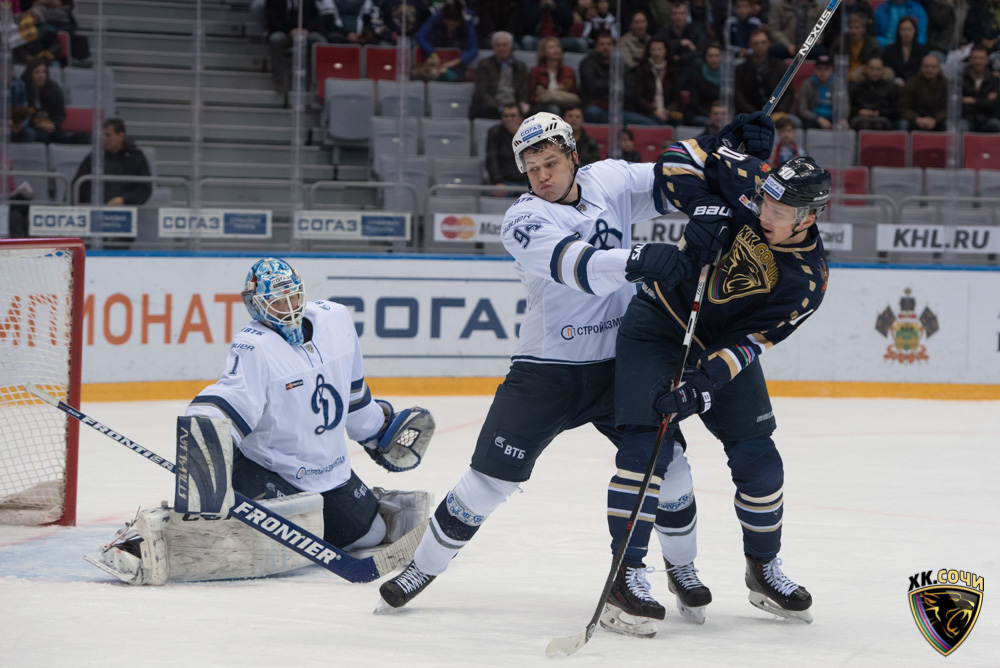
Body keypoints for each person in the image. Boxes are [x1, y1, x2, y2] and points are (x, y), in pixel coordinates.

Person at [376, 110, 698, 636]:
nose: (542, 176)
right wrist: (640, 259)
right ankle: (422, 569)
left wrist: (726, 150)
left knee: (672, 465)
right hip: (548, 373)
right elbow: (580, 268)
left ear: (574, 156)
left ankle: (682, 571)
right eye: (531, 169)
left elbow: (674, 177)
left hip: (620, 365)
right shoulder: (523, 219)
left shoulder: (609, 179)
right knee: (489, 481)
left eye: (550, 163)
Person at [88, 258, 436, 585]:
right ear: (255, 305)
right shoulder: (255, 347)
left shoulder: (336, 321)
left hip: (330, 472)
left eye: (293, 297)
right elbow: (228, 400)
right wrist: (204, 445)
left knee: (370, 535)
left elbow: (354, 397)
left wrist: (376, 432)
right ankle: (141, 538)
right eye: (277, 303)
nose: (289, 308)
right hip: (267, 469)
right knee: (236, 536)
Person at [613, 112, 828, 624]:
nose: (764, 211)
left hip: (716, 347)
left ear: (807, 219)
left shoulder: (806, 282)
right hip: (658, 321)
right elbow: (679, 156)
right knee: (647, 449)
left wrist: (701, 385)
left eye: (779, 211)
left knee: (760, 459)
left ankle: (763, 568)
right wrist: (703, 203)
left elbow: (748, 343)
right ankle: (627, 573)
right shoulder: (754, 180)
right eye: (765, 201)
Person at [72, 118, 152, 206]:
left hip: (127, 209)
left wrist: (124, 199)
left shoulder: (136, 156)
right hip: (97, 208)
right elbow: (78, 186)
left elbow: (144, 188)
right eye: (102, 135)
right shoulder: (95, 157)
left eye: (108, 135)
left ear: (120, 136)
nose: (104, 138)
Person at [264, 0, 328, 94]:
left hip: (305, 32)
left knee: (320, 41)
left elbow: (315, 17)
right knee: (275, 39)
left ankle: (317, 80)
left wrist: (307, 30)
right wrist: (289, 31)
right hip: (284, 32)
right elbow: (272, 19)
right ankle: (279, 79)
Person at [735, 29, 798, 122]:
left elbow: (788, 93)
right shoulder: (741, 69)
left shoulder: (780, 66)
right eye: (756, 43)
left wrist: (779, 112)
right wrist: (755, 114)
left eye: (763, 43)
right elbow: (739, 97)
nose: (760, 46)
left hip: (777, 115)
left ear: (769, 44)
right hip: (749, 115)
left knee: (795, 122)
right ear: (750, 45)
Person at [469, 31, 529, 119]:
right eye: (498, 45)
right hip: (492, 106)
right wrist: (499, 108)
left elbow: (524, 90)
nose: (501, 48)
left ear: (511, 46)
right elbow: (482, 92)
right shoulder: (484, 65)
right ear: (493, 47)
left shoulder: (520, 66)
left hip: (514, 105)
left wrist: (522, 103)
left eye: (504, 45)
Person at [414, 0, 478, 81]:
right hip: (436, 47)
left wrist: (455, 62)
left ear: (459, 21)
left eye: (453, 25)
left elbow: (473, 49)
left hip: (457, 58)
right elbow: (421, 35)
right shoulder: (438, 15)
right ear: (443, 19)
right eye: (447, 24)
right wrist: (432, 53)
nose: (449, 27)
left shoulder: (467, 19)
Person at [631, 37, 684, 125]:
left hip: (668, 111)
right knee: (659, 122)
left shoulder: (672, 70)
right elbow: (639, 98)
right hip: (648, 111)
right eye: (653, 49)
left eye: (660, 49)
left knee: (680, 121)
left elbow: (677, 97)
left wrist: (668, 110)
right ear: (649, 51)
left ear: (666, 51)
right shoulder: (641, 70)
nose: (656, 53)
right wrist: (654, 110)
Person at [655, 1, 708, 86]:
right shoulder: (664, 31)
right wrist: (681, 42)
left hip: (689, 66)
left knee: (698, 62)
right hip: (669, 65)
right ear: (670, 15)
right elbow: (658, 46)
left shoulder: (696, 30)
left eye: (681, 13)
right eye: (675, 14)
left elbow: (702, 51)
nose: (678, 17)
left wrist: (681, 57)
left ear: (687, 14)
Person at [795, 51, 847, 129]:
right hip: (813, 118)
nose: (823, 72)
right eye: (819, 68)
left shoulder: (838, 84)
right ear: (815, 69)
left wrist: (842, 118)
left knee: (843, 126)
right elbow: (802, 109)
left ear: (832, 70)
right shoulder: (807, 84)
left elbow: (844, 105)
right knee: (807, 124)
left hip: (833, 118)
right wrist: (818, 119)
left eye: (827, 69)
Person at [528, 35, 580, 115]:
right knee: (553, 108)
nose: (556, 50)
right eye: (551, 47)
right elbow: (531, 94)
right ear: (543, 51)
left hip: (564, 104)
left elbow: (573, 93)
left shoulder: (568, 71)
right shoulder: (535, 71)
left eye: (558, 47)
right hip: (542, 106)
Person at [20, 58, 67, 144]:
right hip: (31, 126)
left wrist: (53, 124)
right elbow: (22, 115)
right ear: (30, 73)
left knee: (62, 137)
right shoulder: (23, 88)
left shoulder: (53, 88)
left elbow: (60, 113)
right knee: (41, 137)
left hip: (49, 124)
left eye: (44, 72)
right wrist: (38, 124)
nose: (41, 75)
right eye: (37, 72)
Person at [897, 53, 947, 131]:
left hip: (938, 121)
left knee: (950, 123)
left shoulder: (946, 84)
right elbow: (903, 107)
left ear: (939, 68)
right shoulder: (911, 83)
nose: (929, 70)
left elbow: (948, 108)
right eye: (926, 66)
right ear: (921, 67)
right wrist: (917, 119)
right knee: (903, 123)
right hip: (915, 120)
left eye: (933, 67)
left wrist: (936, 120)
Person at [849, 56, 897, 130]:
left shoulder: (891, 86)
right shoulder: (856, 85)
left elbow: (894, 109)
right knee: (864, 125)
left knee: (879, 125)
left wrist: (880, 112)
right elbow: (850, 106)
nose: (875, 72)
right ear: (866, 69)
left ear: (883, 70)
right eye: (872, 68)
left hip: (882, 118)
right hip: (859, 117)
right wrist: (859, 111)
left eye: (878, 69)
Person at [485, 103, 526, 192]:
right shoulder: (495, 133)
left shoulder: (528, 133)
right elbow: (492, 158)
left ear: (521, 118)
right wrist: (497, 181)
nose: (509, 119)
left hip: (527, 181)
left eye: (513, 116)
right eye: (505, 116)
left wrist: (519, 137)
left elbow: (533, 156)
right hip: (505, 182)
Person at [961, 45, 1000, 132]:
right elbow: (960, 105)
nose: (978, 61)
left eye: (981, 58)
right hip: (967, 118)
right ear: (970, 59)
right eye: (975, 58)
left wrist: (972, 101)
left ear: (987, 59)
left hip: (987, 119)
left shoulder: (994, 79)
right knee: (961, 127)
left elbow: (993, 106)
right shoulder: (961, 78)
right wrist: (985, 100)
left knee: (997, 125)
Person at [830, 13, 881, 79]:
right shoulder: (840, 43)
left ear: (864, 28)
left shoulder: (872, 45)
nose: (853, 31)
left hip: (864, 78)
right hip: (841, 77)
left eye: (856, 28)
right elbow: (832, 63)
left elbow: (874, 66)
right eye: (850, 27)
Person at [880, 16, 928, 86]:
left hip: (917, 85)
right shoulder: (890, 49)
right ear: (898, 31)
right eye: (903, 29)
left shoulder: (922, 50)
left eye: (909, 29)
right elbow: (886, 68)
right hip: (894, 85)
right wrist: (896, 80)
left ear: (915, 31)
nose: (906, 33)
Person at [686, 42, 722, 126]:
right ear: (705, 57)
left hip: (721, 114)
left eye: (717, 56)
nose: (714, 59)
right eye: (710, 56)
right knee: (711, 124)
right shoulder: (697, 74)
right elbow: (695, 102)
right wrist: (710, 115)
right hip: (701, 113)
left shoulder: (728, 76)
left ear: (721, 57)